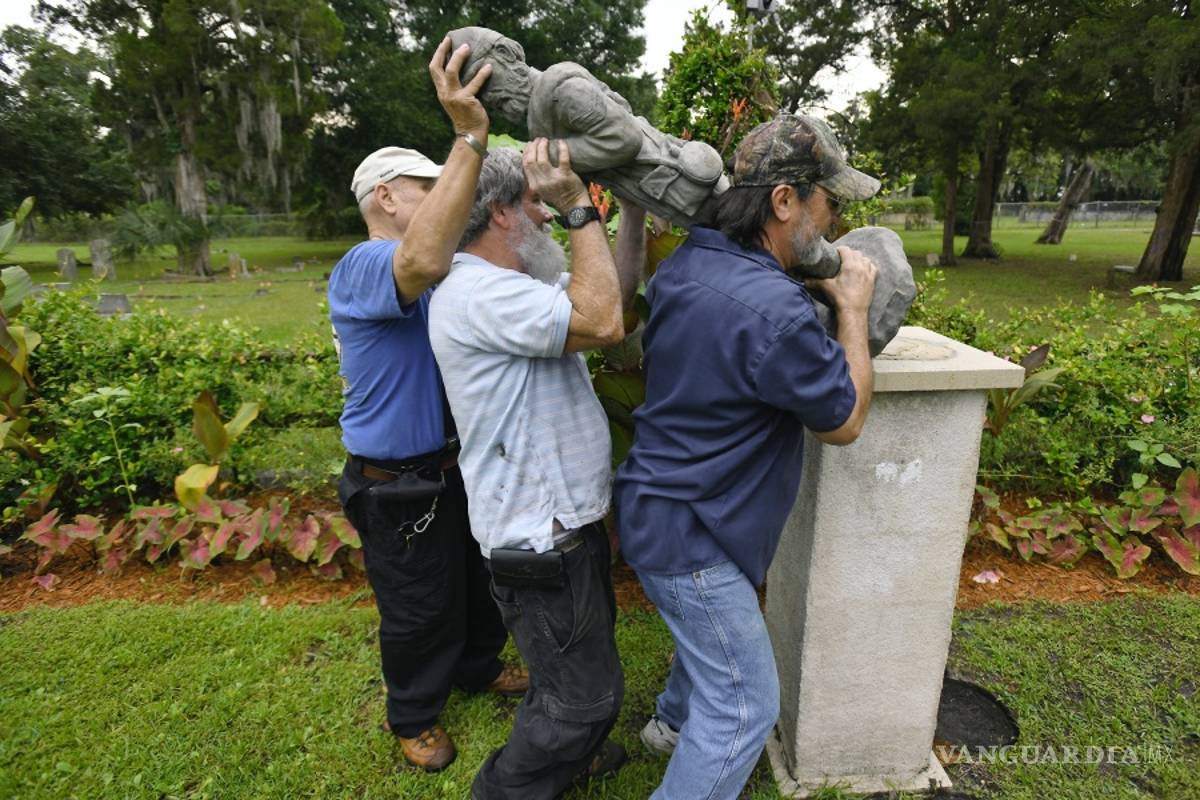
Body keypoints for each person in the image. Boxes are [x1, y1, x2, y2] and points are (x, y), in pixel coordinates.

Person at [613, 112, 882, 800]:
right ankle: (690, 743)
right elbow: (845, 422)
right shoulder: (777, 311)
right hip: (693, 537)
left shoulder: (691, 262)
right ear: (785, 200)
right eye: (830, 203)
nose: (835, 222)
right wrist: (853, 309)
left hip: (660, 506)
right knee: (744, 706)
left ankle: (671, 727)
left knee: (716, 638)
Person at [327, 38, 527, 773]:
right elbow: (423, 259)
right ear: (386, 197)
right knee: (417, 605)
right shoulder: (366, 264)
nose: (448, 197)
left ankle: (477, 667)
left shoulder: (439, 271)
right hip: (396, 483)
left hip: (451, 466)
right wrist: (468, 136)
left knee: (476, 582)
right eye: (427, 187)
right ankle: (413, 713)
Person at [427, 141, 647, 800]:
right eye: (535, 201)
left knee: (577, 675)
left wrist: (632, 212)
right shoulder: (480, 292)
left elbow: (610, 298)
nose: (547, 214)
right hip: (540, 539)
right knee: (580, 700)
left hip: (562, 525)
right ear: (499, 212)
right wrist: (577, 202)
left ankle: (575, 758)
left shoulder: (515, 284)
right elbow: (603, 322)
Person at [447, 26, 728, 227]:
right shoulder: (546, 115)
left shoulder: (562, 91)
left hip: (695, 194)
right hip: (679, 202)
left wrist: (550, 154)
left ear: (506, 53)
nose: (490, 97)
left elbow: (625, 139)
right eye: (480, 94)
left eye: (486, 80)